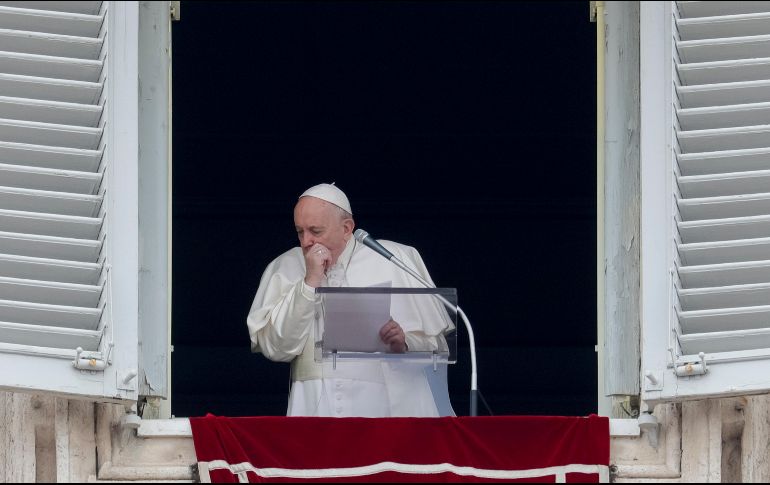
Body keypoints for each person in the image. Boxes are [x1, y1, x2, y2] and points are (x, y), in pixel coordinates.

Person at [246, 183, 454, 417]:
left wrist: (404, 344)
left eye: (315, 231)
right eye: (299, 231)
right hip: (315, 406)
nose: (306, 242)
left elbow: (437, 345)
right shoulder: (283, 267)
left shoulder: (394, 259)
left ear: (347, 228)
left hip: (385, 406)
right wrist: (309, 282)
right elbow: (277, 348)